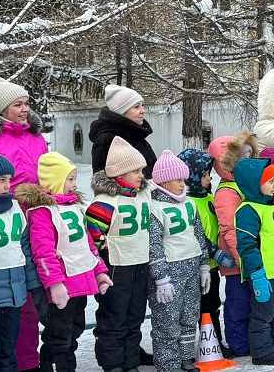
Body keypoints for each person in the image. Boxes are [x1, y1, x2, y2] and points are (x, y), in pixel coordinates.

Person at [17, 153, 112, 372]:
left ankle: (68, 367)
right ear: (55, 182)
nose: (75, 184)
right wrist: (55, 285)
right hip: (62, 288)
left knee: (75, 331)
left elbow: (87, 245)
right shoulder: (41, 212)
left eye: (74, 178)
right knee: (58, 335)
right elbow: (43, 253)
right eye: (70, 179)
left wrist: (99, 272)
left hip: (81, 283)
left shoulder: (74, 207)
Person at [0, 76, 49, 372]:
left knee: (33, 293)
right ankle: (17, 362)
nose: (25, 110)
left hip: (35, 219)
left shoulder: (36, 137)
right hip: (2, 216)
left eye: (26, 103)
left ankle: (31, 360)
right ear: (1, 109)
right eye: (17, 105)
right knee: (12, 298)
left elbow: (47, 172)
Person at [85, 137, 153, 372]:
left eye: (142, 169)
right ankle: (112, 363)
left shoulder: (144, 194)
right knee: (114, 317)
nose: (141, 175)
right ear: (119, 173)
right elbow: (93, 237)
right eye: (135, 170)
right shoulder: (105, 202)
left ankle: (130, 362)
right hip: (116, 266)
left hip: (140, 264)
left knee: (135, 317)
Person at [146, 151, 212, 372]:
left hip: (191, 267)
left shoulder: (190, 205)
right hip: (170, 272)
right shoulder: (154, 208)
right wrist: (160, 278)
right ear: (163, 181)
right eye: (178, 180)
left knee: (189, 315)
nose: (183, 184)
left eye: (184, 179)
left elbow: (199, 236)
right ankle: (168, 363)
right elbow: (153, 244)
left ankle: (185, 357)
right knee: (167, 320)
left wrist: (204, 265)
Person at [233, 158, 274, 365]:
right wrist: (257, 273)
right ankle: (261, 351)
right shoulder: (248, 210)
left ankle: (272, 342)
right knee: (263, 313)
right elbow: (246, 245)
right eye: (270, 181)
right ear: (255, 184)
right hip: (263, 274)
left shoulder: (272, 206)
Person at [0, 153, 42, 372]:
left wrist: (33, 283)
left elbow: (25, 249)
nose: (8, 185)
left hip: (14, 295)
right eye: (1, 180)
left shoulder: (15, 209)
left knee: (9, 350)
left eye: (9, 179)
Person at [177, 148, 235, 356]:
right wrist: (214, 252)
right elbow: (195, 234)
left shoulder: (208, 197)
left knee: (212, 306)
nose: (209, 178)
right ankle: (188, 348)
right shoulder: (188, 203)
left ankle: (213, 344)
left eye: (209, 174)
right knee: (196, 309)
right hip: (196, 266)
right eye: (204, 174)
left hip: (211, 267)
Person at [209, 133, 259, 357]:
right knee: (238, 303)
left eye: (251, 154)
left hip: (251, 256)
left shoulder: (246, 185)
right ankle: (239, 342)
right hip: (237, 259)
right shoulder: (227, 192)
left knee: (253, 300)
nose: (248, 159)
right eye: (242, 156)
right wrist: (243, 258)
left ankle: (253, 338)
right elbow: (230, 228)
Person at [89, 84, 157, 179]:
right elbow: (102, 184)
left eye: (142, 106)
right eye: (137, 107)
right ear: (122, 112)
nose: (143, 111)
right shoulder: (107, 140)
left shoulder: (136, 135)